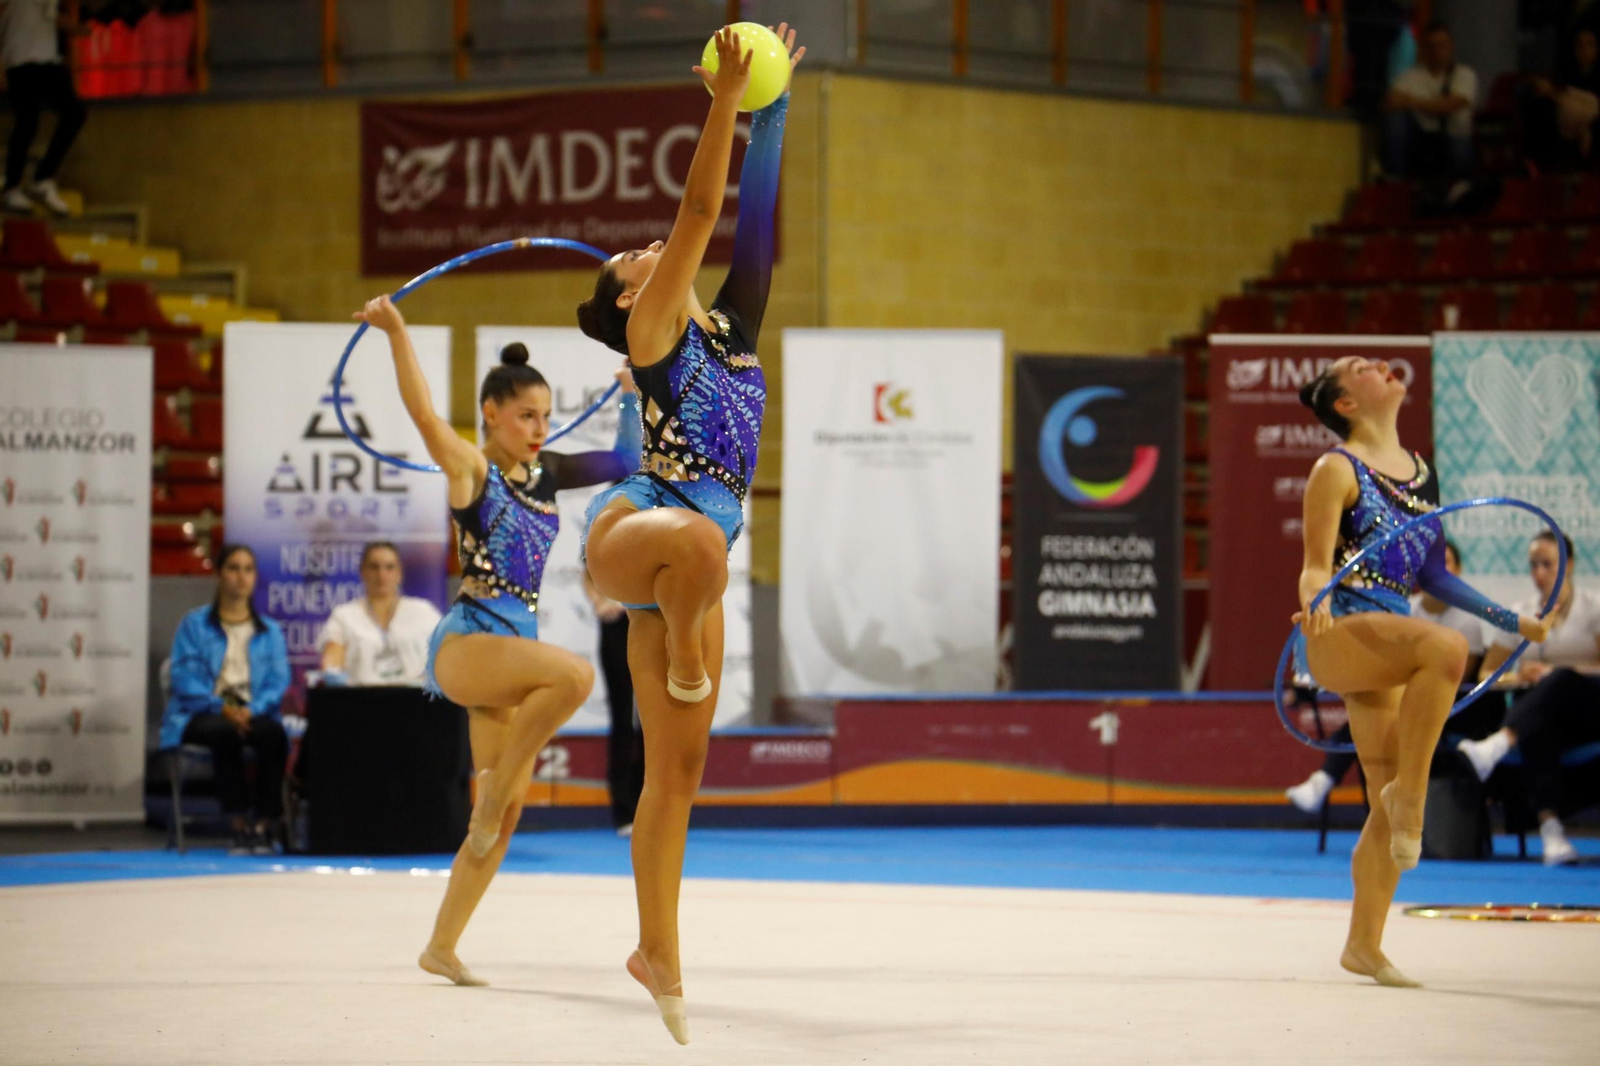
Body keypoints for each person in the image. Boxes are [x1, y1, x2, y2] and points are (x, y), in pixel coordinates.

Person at [575, 23, 802, 1044]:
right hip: (636, 531)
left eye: (649, 247)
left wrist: (778, 112)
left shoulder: (733, 332)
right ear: (628, 296)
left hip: (695, 559)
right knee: (704, 552)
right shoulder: (652, 326)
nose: (652, 250)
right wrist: (723, 98)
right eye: (636, 256)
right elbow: (705, 210)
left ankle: (655, 946)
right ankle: (676, 610)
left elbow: (752, 234)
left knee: (679, 776)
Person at [347, 302, 642, 988]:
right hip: (471, 643)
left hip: (514, 650)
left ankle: (442, 945)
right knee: (572, 678)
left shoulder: (548, 474)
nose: (540, 429)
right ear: (490, 414)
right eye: (526, 417)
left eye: (545, 415)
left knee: (503, 819)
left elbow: (626, 459)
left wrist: (631, 396)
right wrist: (395, 331)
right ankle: (495, 789)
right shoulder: (472, 471)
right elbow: (423, 418)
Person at [1293, 356, 1551, 987]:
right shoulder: (1336, 468)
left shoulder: (1422, 474)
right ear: (1346, 404)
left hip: (1388, 641)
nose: (1378, 365)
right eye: (1360, 368)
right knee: (1444, 649)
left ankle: (1364, 945)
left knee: (1384, 816)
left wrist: (1511, 621)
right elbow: (1314, 563)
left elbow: (1434, 575)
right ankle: (1411, 794)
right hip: (1339, 634)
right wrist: (1312, 598)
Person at [1286, 539, 1486, 812]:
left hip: (1439, 706)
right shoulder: (1403, 608)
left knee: (1388, 714)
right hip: (1396, 694)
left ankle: (1331, 782)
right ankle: (1327, 782)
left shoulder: (1468, 620)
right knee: (1366, 708)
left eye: (1445, 563)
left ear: (1458, 571)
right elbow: (1379, 660)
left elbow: (1456, 678)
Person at [1457, 532, 1600, 866]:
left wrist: (1557, 673)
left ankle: (1499, 743)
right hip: (1548, 719)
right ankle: (1552, 835)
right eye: (1533, 565)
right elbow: (1486, 674)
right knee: (1539, 722)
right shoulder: (1521, 614)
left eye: (1547, 564)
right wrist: (1518, 676)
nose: (1539, 573)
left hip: (1592, 711)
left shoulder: (1594, 607)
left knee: (1561, 678)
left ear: (1570, 565)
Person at [159, 543, 290, 855]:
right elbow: (183, 678)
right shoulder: (194, 624)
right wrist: (222, 707)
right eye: (233, 568)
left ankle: (264, 823)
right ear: (219, 574)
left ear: (255, 577)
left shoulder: (270, 630)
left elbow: (277, 681)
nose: (241, 577)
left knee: (274, 735)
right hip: (201, 713)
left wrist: (251, 710)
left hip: (253, 712)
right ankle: (238, 823)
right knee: (225, 734)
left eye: (248, 569)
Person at [315, 541, 443, 687]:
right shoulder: (344, 615)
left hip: (417, 701)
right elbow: (333, 656)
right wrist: (332, 672)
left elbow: (447, 653)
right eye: (374, 567)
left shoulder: (423, 611)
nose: (382, 574)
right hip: (361, 701)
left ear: (399, 573)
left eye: (389, 567)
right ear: (362, 571)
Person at [1, 0, 85, 215]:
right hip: (20, 61)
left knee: (74, 113)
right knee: (27, 122)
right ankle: (11, 187)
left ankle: (42, 178)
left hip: (47, 61)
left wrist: (76, 26)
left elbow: (53, 17)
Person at [584, 568, 644, 836]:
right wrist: (599, 600)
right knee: (621, 717)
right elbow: (588, 570)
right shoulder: (603, 526)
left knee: (651, 722)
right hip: (617, 625)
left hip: (651, 620)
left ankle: (650, 805)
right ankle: (623, 810)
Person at [1384, 20, 1477, 181]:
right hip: (1419, 138)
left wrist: (1410, 102)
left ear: (1451, 47)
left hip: (1453, 137)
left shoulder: (1464, 74)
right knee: (1395, 120)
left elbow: (1451, 105)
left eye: (1442, 45)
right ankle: (1395, 179)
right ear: (1423, 49)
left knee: (1460, 152)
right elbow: (1390, 102)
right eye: (1431, 46)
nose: (1437, 51)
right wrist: (1432, 105)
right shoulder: (1410, 76)